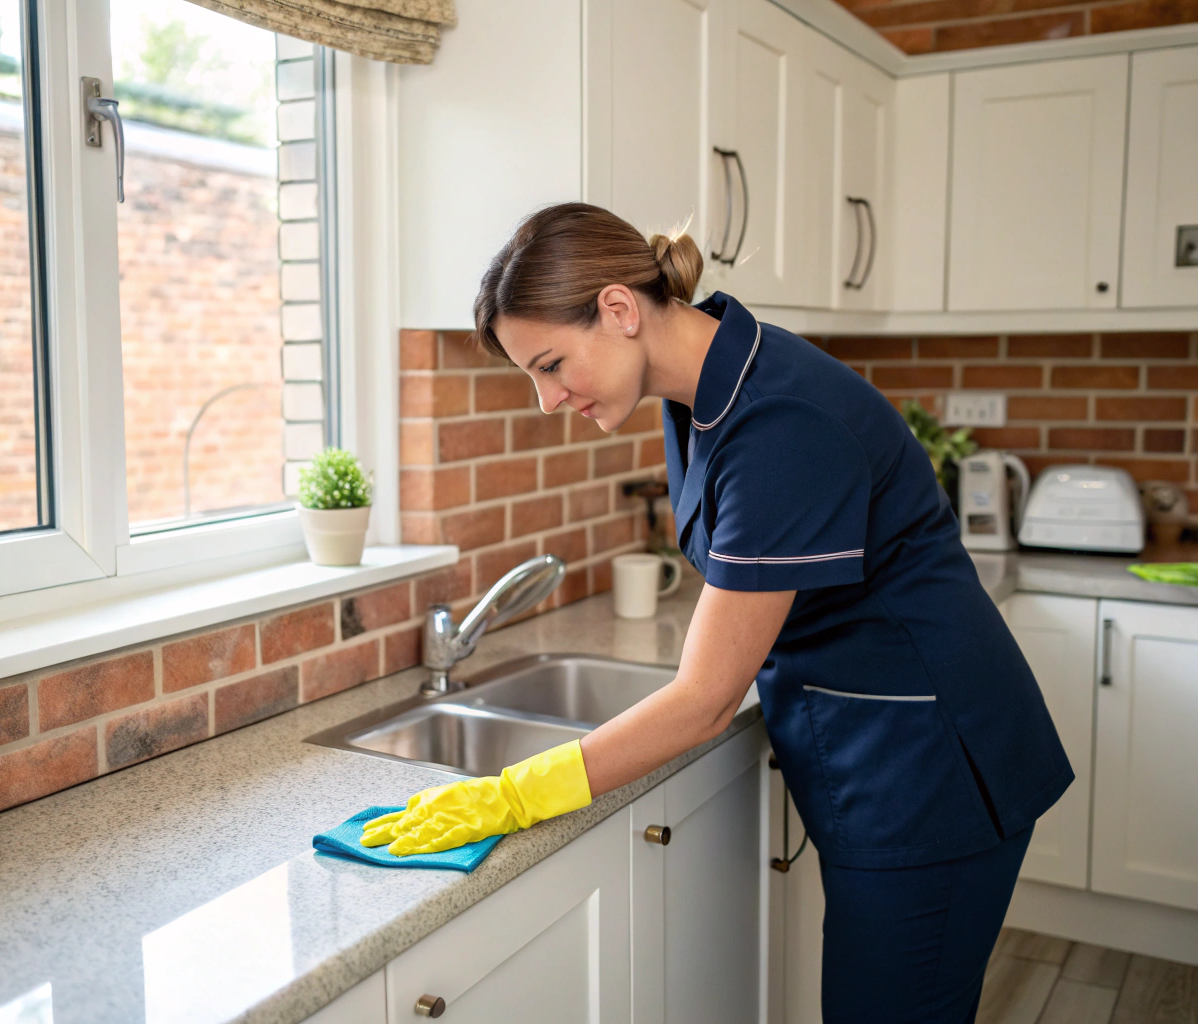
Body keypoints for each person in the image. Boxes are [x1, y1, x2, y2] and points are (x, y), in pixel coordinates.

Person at [361, 202, 1072, 1023]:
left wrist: (511, 796)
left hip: (931, 766)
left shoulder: (779, 421)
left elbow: (704, 701)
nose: (547, 399)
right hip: (873, 739)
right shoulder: (699, 386)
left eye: (551, 364)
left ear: (620, 310)